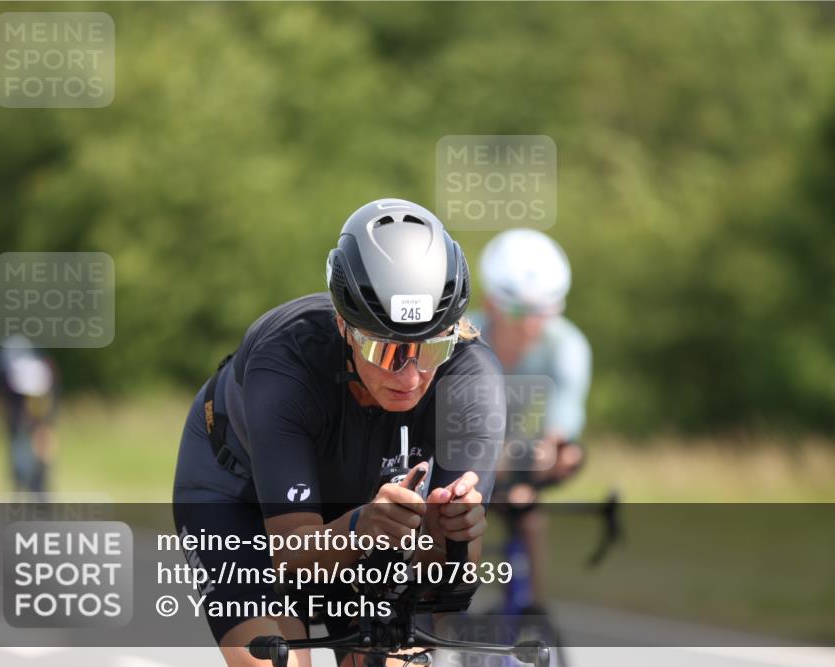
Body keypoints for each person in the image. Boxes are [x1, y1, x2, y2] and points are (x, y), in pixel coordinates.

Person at [172, 198, 505, 667]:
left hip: (371, 516)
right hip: (240, 497)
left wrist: (451, 537)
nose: (409, 377)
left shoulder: (473, 380)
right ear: (344, 326)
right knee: (273, 661)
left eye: (430, 350)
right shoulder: (286, 361)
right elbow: (290, 554)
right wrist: (359, 527)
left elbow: (451, 581)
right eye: (387, 353)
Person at [473, 228, 592, 613]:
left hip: (519, 457)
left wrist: (542, 458)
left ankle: (535, 616)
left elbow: (562, 429)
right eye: (519, 312)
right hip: (465, 453)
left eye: (544, 313)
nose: (530, 325)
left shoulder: (567, 346)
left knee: (533, 505)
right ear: (491, 304)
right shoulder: (463, 339)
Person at [0, 335, 59, 497]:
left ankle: (27, 490)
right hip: (39, 418)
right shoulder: (42, 365)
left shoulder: (13, 369)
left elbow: (10, 398)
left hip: (26, 419)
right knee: (38, 457)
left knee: (23, 455)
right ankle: (38, 492)